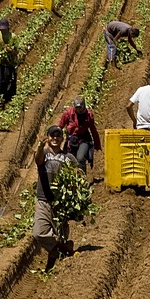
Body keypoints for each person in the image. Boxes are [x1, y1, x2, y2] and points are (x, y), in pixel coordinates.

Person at [32, 126, 78, 270]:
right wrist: (40, 145)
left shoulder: (68, 157)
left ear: (62, 139)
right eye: (52, 136)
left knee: (62, 232)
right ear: (48, 137)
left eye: (58, 136)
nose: (55, 138)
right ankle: (61, 247)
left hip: (61, 203)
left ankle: (54, 259)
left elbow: (78, 174)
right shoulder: (44, 154)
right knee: (39, 233)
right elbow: (37, 159)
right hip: (43, 200)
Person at [59, 96, 101, 175]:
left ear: (84, 106)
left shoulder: (89, 115)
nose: (79, 110)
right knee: (68, 161)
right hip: (71, 140)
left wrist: (97, 144)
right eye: (77, 108)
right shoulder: (68, 113)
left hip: (83, 139)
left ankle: (82, 180)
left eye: (80, 107)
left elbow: (93, 130)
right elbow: (60, 126)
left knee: (80, 158)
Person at [0, 18, 18, 107]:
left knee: (7, 78)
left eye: (4, 29)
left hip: (9, 62)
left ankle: (5, 96)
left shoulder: (13, 37)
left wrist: (11, 51)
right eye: (1, 29)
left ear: (8, 28)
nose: (2, 30)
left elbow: (17, 51)